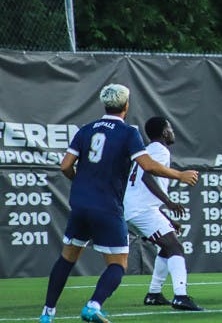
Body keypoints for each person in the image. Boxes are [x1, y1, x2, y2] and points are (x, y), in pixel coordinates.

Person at [39, 84, 199, 323]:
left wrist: (82, 182)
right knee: (117, 265)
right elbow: (148, 167)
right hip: (108, 206)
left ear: (104, 104)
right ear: (126, 105)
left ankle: (47, 314)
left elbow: (65, 166)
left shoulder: (86, 130)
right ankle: (93, 306)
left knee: (66, 259)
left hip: (80, 205)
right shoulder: (128, 132)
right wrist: (180, 175)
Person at [123, 116, 203, 311]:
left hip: (136, 210)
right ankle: (181, 296)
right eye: (170, 128)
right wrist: (169, 202)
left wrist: (167, 219)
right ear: (165, 132)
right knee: (176, 248)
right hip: (142, 211)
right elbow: (146, 178)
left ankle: (154, 294)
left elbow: (143, 188)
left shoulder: (147, 151)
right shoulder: (160, 150)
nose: (173, 132)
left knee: (167, 247)